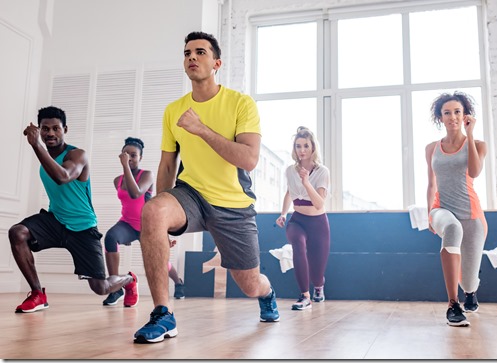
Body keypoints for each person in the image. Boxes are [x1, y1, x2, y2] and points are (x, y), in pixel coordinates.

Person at [133, 31, 280, 344]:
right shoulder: (173, 110)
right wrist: (161, 223)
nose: (192, 57)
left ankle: (268, 294)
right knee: (152, 211)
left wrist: (201, 129)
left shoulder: (241, 104)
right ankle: (163, 313)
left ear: (217, 63)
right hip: (192, 194)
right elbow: (168, 165)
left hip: (233, 205)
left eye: (200, 52)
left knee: (250, 285)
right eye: (187, 53)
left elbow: (249, 159)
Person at [9, 106, 138, 313]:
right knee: (18, 232)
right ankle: (37, 294)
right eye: (45, 129)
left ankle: (129, 280)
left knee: (101, 287)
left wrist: (36, 145)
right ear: (40, 130)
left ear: (65, 130)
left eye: (55, 128)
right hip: (56, 221)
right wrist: (39, 146)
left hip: (83, 227)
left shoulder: (78, 155)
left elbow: (63, 177)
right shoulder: (46, 159)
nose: (50, 133)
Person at [425, 91, 488, 327]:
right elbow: (431, 183)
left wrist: (469, 135)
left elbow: (474, 172)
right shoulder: (431, 148)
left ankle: (470, 292)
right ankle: (453, 304)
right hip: (441, 208)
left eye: (457, 112)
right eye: (447, 112)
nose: (452, 117)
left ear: (465, 115)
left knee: (469, 279)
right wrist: (429, 215)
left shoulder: (479, 145)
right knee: (451, 228)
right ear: (440, 117)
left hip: (471, 215)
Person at [102, 137, 185, 307]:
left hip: (148, 226)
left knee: (161, 261)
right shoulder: (117, 180)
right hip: (127, 224)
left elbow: (135, 193)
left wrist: (126, 166)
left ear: (140, 158)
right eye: (126, 154)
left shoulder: (146, 175)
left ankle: (178, 282)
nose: (130, 158)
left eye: (134, 155)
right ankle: (116, 287)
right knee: (110, 238)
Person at [275, 127, 331, 311]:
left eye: (306, 145)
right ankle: (304, 296)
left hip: (318, 224)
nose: (302, 150)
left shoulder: (323, 172)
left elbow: (319, 203)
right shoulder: (290, 170)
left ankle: (318, 287)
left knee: (317, 272)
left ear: (313, 147)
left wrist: (306, 181)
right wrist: (283, 214)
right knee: (297, 245)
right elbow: (289, 193)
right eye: (298, 146)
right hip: (297, 220)